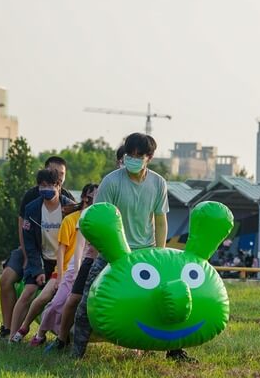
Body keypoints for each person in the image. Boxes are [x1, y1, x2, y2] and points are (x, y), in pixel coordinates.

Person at [71, 133, 194, 362]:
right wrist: (106, 251)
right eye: (130, 155)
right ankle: (77, 351)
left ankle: (175, 350)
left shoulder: (158, 183)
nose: (133, 159)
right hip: (113, 252)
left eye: (139, 156)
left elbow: (160, 220)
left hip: (145, 251)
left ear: (150, 157)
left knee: (168, 299)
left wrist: (160, 253)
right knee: (87, 301)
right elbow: (99, 219)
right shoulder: (111, 181)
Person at [45, 146, 124, 352]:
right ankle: (62, 339)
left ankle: (138, 345)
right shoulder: (108, 188)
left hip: (127, 257)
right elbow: (81, 241)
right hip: (95, 255)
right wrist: (78, 266)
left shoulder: (146, 186)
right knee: (75, 299)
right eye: (126, 158)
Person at [0, 156, 74, 339]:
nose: (59, 177)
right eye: (56, 172)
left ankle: (56, 334)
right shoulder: (32, 199)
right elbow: (25, 232)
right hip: (33, 249)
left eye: (61, 175)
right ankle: (9, 330)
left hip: (60, 257)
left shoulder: (68, 203)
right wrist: (31, 262)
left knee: (56, 293)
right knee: (9, 281)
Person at [23, 183, 98, 348]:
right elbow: (71, 249)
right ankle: (38, 332)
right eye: (94, 194)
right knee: (55, 303)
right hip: (69, 270)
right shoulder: (76, 219)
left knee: (77, 307)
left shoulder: (100, 216)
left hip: (91, 268)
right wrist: (69, 274)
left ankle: (65, 339)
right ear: (85, 197)